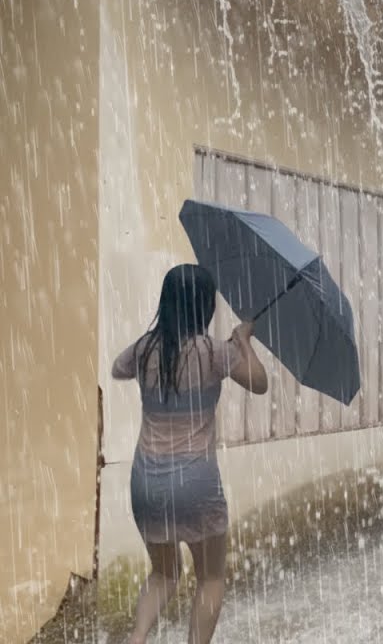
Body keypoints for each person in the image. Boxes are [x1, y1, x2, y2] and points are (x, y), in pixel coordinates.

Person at [110, 264, 268, 644]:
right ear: (204, 307)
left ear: (166, 303)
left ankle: (136, 638)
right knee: (210, 577)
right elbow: (260, 384)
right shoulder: (213, 352)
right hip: (196, 483)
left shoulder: (145, 348)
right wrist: (242, 340)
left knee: (164, 574)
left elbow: (118, 368)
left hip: (147, 482)